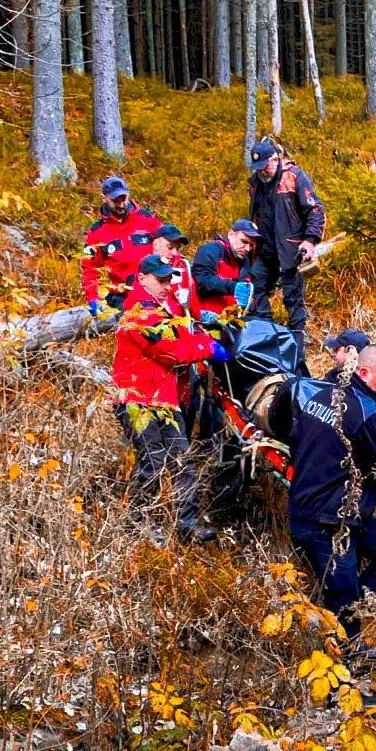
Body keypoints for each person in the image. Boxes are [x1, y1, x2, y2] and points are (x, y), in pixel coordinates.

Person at [268, 344, 376, 657]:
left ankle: (360, 603)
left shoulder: (315, 392)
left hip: (327, 508)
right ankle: (345, 666)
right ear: (364, 373)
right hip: (327, 521)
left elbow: (281, 416)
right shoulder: (366, 413)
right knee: (343, 598)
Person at [111, 254, 231, 544]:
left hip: (164, 401)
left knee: (182, 463)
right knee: (152, 463)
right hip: (138, 400)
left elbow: (182, 341)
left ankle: (186, 526)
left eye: (168, 280)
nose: (166, 286)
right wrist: (207, 346)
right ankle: (137, 524)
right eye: (160, 280)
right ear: (142, 279)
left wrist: (205, 340)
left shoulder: (162, 311)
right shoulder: (138, 313)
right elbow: (171, 352)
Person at [247, 138, 326, 356]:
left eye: (265, 166)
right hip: (264, 249)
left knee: (293, 298)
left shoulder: (294, 177)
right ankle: (267, 336)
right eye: (258, 168)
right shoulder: (255, 183)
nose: (262, 172)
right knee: (255, 286)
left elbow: (315, 210)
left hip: (291, 248)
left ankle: (297, 349)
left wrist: (310, 240)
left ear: (275, 159)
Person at [82, 175, 163, 316]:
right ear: (105, 199)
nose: (121, 204)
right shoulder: (95, 233)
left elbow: (167, 247)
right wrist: (93, 298)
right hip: (122, 297)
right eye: (115, 201)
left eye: (123, 199)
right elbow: (90, 268)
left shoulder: (148, 219)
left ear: (128, 195)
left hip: (155, 289)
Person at [193, 219, 259, 317]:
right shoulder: (211, 250)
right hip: (206, 317)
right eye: (244, 241)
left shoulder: (244, 261)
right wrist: (232, 287)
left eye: (252, 245)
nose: (248, 249)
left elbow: (249, 290)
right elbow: (201, 281)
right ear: (231, 234)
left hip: (232, 320)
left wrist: (251, 303)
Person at [151, 223, 199, 318]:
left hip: (182, 323)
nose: (174, 253)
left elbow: (194, 308)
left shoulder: (182, 267)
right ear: (155, 244)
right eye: (170, 247)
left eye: (177, 248)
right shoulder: (143, 268)